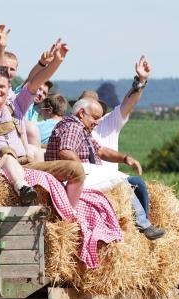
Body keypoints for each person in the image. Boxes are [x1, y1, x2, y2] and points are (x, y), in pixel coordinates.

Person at [0, 39, 86, 208]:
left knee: (76, 170)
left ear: (8, 89)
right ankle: (22, 188)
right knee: (6, 153)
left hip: (27, 166)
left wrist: (57, 61)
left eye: (1, 87)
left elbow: (35, 82)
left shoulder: (17, 104)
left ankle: (69, 215)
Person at [44, 98, 166, 240]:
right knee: (120, 180)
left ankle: (144, 222)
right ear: (82, 113)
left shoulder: (82, 129)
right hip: (71, 180)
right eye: (95, 118)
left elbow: (100, 150)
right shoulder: (73, 127)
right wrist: (84, 170)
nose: (97, 122)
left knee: (135, 182)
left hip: (78, 174)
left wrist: (125, 158)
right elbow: (65, 151)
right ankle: (143, 226)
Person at [92, 55, 152, 171]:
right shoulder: (73, 129)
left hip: (111, 183)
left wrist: (141, 80)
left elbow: (128, 103)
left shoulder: (108, 122)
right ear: (80, 112)